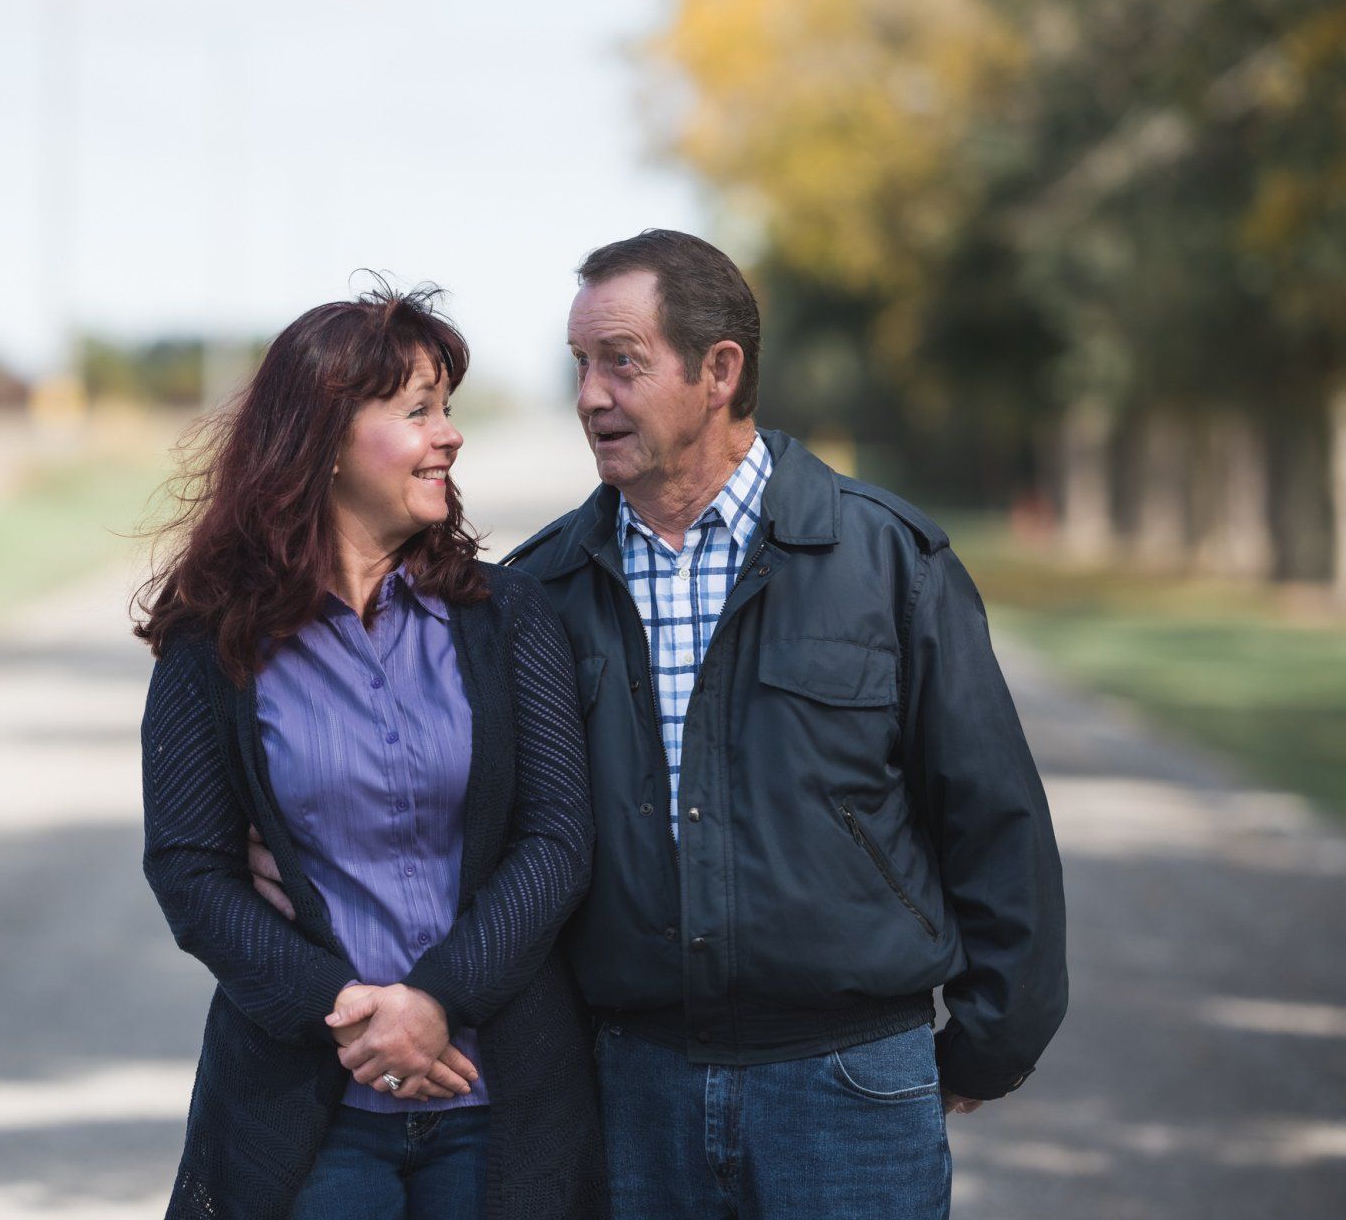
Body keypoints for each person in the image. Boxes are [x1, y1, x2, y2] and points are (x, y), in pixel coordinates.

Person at [253, 232, 1068, 1219]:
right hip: (626, 1092)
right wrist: (291, 847)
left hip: (851, 1088)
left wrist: (990, 1038)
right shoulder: (537, 591)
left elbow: (993, 816)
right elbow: (480, 821)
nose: (590, 395)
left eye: (621, 363)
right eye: (580, 366)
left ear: (719, 370)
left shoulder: (888, 560)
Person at [136, 285, 607, 1220]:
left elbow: (558, 840)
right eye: (419, 410)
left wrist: (433, 1000)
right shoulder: (213, 638)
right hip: (307, 1106)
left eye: (450, 408)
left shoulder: (507, 615)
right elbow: (190, 869)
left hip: (499, 1097)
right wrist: (351, 1013)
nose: (452, 435)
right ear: (326, 442)